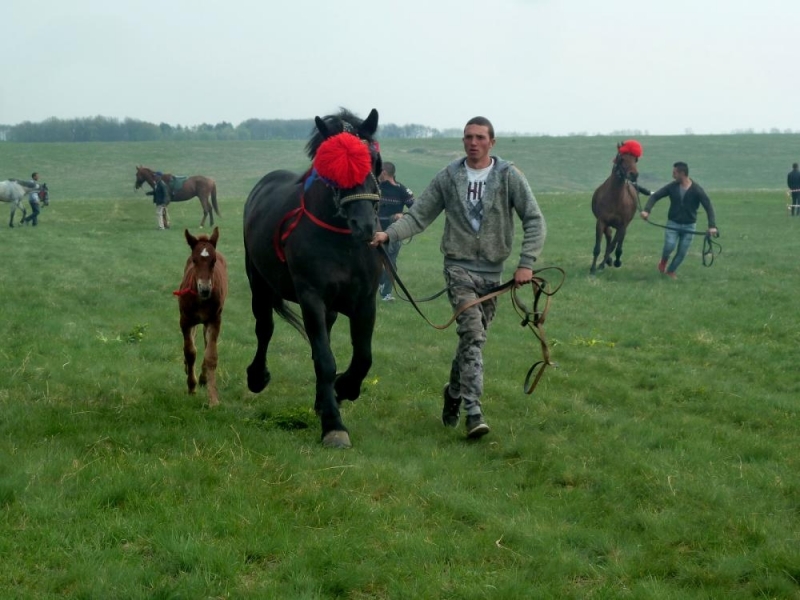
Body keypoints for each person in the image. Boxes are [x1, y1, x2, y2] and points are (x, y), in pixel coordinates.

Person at [370, 116, 546, 439]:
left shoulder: (509, 176)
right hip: (458, 269)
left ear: (492, 142)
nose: (473, 142)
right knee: (472, 332)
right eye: (468, 137)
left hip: (494, 274)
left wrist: (526, 263)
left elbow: (535, 219)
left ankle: (452, 392)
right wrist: (388, 235)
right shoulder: (449, 177)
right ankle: (473, 410)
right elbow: (419, 214)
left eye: (480, 137)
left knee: (472, 341)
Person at [640, 161, 718, 279]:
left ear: (682, 173)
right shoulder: (672, 187)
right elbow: (655, 196)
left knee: (682, 252)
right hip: (673, 224)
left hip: (689, 226)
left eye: (675, 173)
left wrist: (712, 226)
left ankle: (671, 271)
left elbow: (708, 207)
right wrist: (647, 210)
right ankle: (663, 261)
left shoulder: (697, 189)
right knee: (669, 246)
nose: (673, 175)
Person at [377, 162, 415, 301]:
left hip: (393, 231)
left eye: (379, 171)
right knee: (373, 260)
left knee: (391, 263)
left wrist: (402, 215)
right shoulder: (376, 187)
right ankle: (380, 282)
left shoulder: (402, 190)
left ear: (385, 173)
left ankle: (386, 293)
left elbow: (416, 210)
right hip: (374, 230)